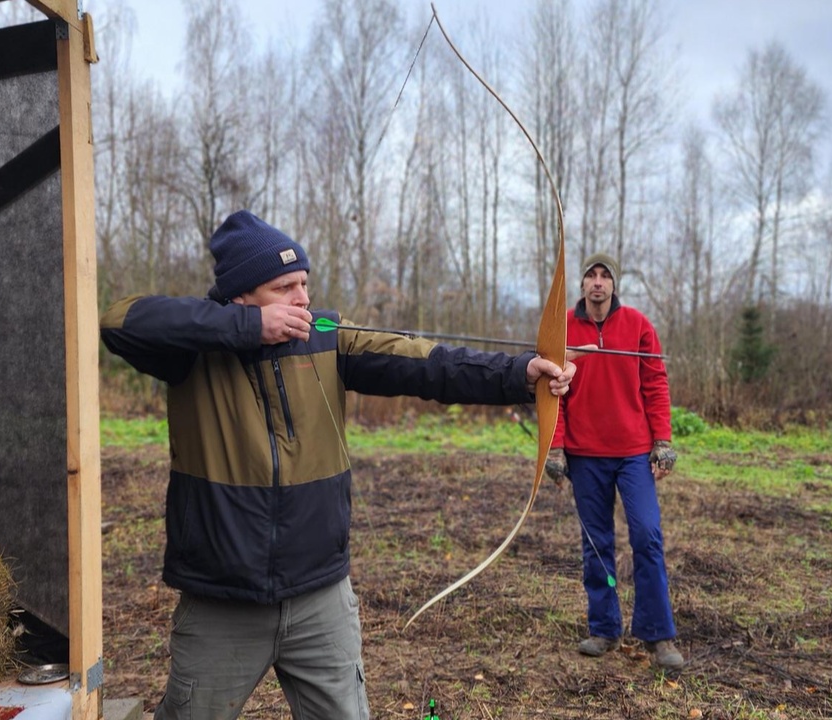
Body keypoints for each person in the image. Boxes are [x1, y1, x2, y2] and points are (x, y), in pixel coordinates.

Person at [100, 209, 577, 720]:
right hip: (222, 602)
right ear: (242, 295)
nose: (303, 298)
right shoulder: (191, 352)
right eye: (285, 287)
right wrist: (246, 328)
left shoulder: (324, 334)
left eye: (304, 282)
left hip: (320, 599)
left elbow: (422, 363)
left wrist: (518, 374)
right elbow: (119, 321)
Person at [543, 252, 684, 672]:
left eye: (605, 276)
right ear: (582, 285)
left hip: (633, 453)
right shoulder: (562, 328)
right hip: (586, 455)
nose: (598, 283)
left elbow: (655, 382)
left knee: (647, 536)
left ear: (614, 285)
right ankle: (604, 627)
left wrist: (662, 440)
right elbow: (552, 392)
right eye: (591, 276)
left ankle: (657, 633)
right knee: (597, 544)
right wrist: (556, 447)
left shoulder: (638, 326)